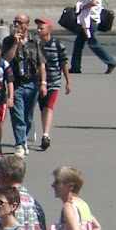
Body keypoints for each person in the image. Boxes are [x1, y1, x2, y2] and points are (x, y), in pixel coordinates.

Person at [2, 14, 47, 157]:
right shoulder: (8, 41)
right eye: (15, 22)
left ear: (27, 24)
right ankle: (19, 144)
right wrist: (15, 43)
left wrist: (43, 83)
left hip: (32, 82)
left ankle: (25, 138)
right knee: (17, 115)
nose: (17, 26)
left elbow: (41, 63)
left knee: (28, 116)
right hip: (16, 84)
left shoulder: (34, 41)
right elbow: (6, 61)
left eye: (20, 23)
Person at [70, 0, 116, 75]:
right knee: (78, 43)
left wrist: (83, 7)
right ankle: (75, 67)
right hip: (86, 21)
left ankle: (111, 62)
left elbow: (94, 2)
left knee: (93, 43)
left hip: (91, 21)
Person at [35, 18, 71, 151]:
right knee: (43, 107)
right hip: (39, 82)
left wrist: (68, 81)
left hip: (54, 81)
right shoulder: (36, 44)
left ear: (48, 30)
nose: (38, 30)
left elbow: (63, 63)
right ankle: (40, 130)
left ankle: (45, 135)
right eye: (38, 28)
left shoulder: (57, 45)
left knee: (49, 107)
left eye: (41, 28)